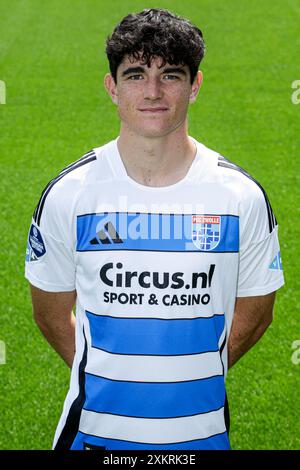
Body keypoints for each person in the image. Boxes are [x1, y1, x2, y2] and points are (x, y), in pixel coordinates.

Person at [25, 8, 284, 450]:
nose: (152, 92)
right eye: (135, 74)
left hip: (201, 438)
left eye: (171, 75)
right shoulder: (70, 194)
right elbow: (49, 312)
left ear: (195, 85)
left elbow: (258, 310)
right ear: (112, 87)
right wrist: (110, 371)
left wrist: (195, 370)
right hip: (93, 438)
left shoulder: (240, 197)